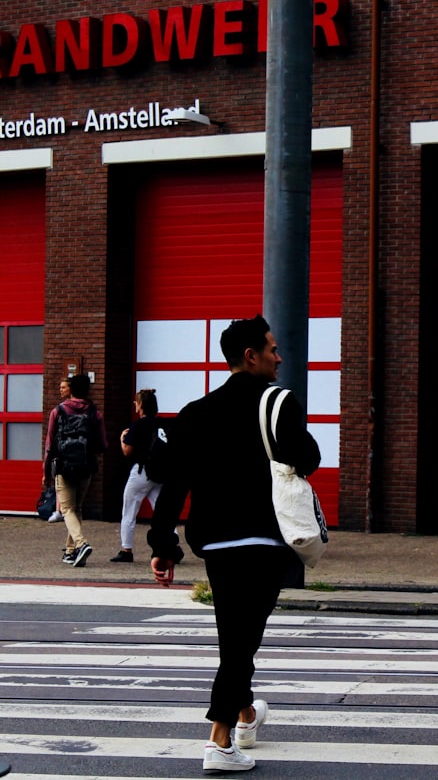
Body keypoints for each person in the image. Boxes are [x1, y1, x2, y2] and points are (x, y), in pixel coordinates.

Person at [148, 314, 320, 773]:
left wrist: (163, 544)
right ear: (250, 357)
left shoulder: (195, 412)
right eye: (272, 349)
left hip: (217, 544)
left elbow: (174, 484)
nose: (279, 358)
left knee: (236, 636)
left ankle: (245, 716)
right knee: (242, 642)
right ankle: (219, 741)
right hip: (264, 541)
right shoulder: (278, 403)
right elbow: (305, 458)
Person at [42, 374, 108, 567]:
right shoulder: (95, 413)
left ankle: (81, 544)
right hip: (86, 466)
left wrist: (46, 471)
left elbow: (49, 444)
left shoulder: (58, 411)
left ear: (71, 389)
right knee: (77, 508)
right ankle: (71, 552)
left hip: (63, 465)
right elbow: (103, 444)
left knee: (67, 509)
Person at [112, 389, 163, 563]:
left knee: (129, 510)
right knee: (163, 510)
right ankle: (173, 546)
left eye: (136, 402)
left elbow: (128, 450)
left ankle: (126, 549)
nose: (135, 405)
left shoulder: (138, 425)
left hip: (141, 472)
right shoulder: (161, 424)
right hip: (159, 472)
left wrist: (121, 439)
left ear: (140, 405)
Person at [44, 378, 73, 523]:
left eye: (63, 387)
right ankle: (58, 510)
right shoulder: (58, 409)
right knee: (59, 482)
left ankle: (62, 511)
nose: (60, 390)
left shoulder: (60, 411)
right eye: (60, 387)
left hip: (69, 451)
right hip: (61, 451)